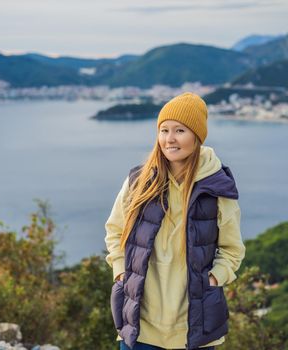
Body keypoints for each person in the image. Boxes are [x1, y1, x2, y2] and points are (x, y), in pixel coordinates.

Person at [104, 92, 246, 350]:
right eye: (163, 130)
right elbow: (115, 230)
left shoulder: (216, 188)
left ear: (197, 136)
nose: (169, 139)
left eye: (180, 130)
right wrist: (121, 272)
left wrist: (213, 280)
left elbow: (232, 249)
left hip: (194, 328)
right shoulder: (140, 181)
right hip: (140, 325)